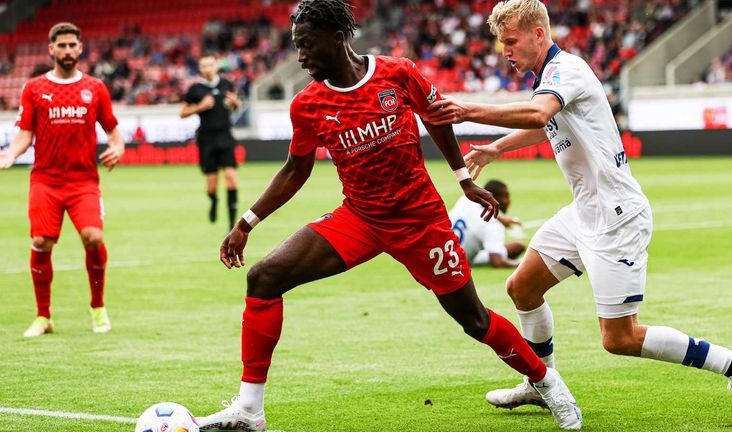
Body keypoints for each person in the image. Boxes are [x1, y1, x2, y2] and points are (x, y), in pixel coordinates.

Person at [198, 1, 582, 430]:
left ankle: (547, 382)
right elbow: (295, 169)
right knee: (264, 277)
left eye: (306, 45)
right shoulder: (307, 105)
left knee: (473, 319)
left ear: (338, 38)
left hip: (420, 221)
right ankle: (250, 411)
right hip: (359, 219)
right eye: (296, 46)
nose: (300, 57)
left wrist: (463, 180)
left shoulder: (397, 73)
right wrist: (246, 223)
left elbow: (438, 120)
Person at [421, 0, 732, 422]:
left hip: (616, 219)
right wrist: (496, 148)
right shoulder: (548, 76)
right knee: (522, 288)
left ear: (539, 34)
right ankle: (539, 381)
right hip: (583, 213)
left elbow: (538, 112)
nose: (504, 51)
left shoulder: (567, 70)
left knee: (619, 338)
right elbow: (542, 124)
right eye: (501, 43)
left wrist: (467, 109)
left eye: (511, 41)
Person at [0, 22, 125, 337]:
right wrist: (11, 154)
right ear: (51, 49)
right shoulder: (34, 88)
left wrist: (118, 148)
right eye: (62, 45)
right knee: (41, 242)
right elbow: (25, 133)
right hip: (45, 180)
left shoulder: (95, 88)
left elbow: (113, 131)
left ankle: (98, 308)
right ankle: (43, 317)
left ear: (81, 48)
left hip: (83, 181)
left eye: (73, 45)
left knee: (93, 237)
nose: (68, 50)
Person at [180, 54, 242, 229]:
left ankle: (232, 225)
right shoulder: (195, 89)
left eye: (210, 65)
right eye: (204, 66)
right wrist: (200, 107)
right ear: (200, 69)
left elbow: (235, 105)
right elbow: (182, 113)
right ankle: (214, 201)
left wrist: (235, 103)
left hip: (225, 136)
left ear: (216, 66)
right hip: (207, 140)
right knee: (212, 187)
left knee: (231, 179)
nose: (207, 69)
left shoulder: (226, 84)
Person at [449, 179, 526, 268]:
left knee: (518, 246)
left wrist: (500, 219)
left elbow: (479, 214)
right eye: (506, 196)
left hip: (441, 248)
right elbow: (497, 262)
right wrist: (521, 263)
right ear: (494, 198)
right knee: (517, 248)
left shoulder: (466, 199)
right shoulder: (492, 226)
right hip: (456, 261)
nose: (509, 200)